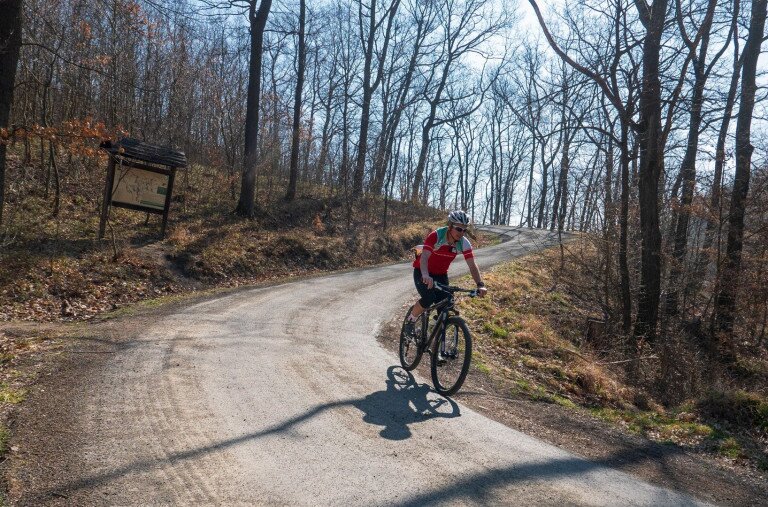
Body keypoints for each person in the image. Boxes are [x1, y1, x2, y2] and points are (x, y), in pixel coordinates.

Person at [405, 210, 487, 338]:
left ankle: (436, 338)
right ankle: (410, 321)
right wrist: (426, 275)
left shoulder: (464, 243)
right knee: (429, 298)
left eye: (464, 230)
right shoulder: (436, 236)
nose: (462, 233)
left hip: (441, 275)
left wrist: (480, 284)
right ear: (450, 226)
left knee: (447, 304)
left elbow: (472, 265)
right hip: (423, 270)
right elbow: (425, 257)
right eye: (459, 229)